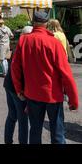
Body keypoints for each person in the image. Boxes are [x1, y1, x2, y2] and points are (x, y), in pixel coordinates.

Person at [11, 10, 79, 144]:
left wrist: (19, 90)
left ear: (33, 23)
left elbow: (15, 68)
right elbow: (66, 73)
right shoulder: (54, 43)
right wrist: (73, 99)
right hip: (53, 95)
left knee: (35, 131)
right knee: (58, 134)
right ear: (46, 23)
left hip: (32, 94)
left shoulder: (24, 40)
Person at [4, 26, 33, 144]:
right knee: (23, 120)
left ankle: (8, 141)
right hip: (17, 88)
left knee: (12, 115)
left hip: (9, 85)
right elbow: (21, 72)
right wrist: (21, 91)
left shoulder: (18, 46)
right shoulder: (25, 48)